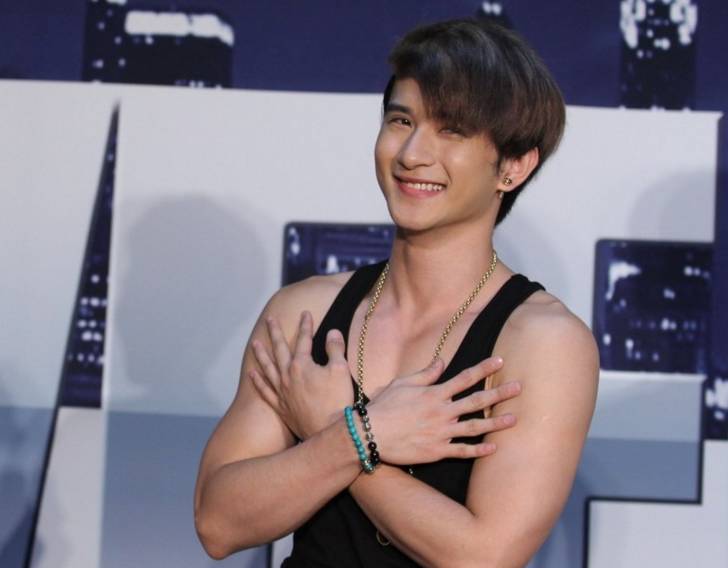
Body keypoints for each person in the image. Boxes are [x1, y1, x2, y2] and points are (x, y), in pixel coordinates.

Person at [194, 17, 598, 567]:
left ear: (513, 166)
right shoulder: (304, 314)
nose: (411, 153)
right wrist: (358, 436)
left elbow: (482, 558)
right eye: (401, 120)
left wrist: (337, 431)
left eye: (451, 130)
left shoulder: (544, 342)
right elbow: (218, 523)